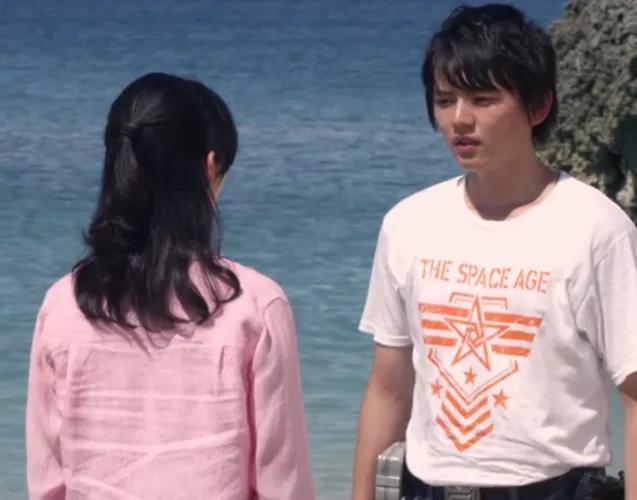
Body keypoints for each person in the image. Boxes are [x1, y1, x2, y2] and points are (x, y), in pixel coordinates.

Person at [352, 4, 637, 500]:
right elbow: (388, 390)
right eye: (444, 101)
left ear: (538, 106)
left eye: (483, 100)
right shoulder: (408, 224)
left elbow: (633, 396)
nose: (460, 120)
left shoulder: (597, 228)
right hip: (426, 488)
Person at [26, 72, 315, 500]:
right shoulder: (255, 307)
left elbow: (49, 482)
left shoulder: (63, 305)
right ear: (210, 166)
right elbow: (282, 485)